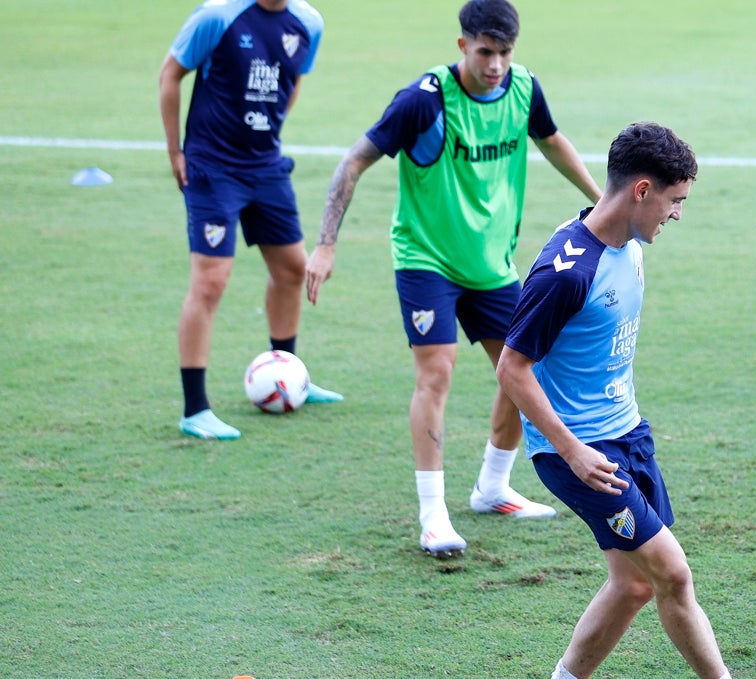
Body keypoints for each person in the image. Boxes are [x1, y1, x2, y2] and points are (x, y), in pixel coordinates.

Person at [497, 122, 756, 679]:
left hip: (629, 435)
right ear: (642, 190)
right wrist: (570, 449)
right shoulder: (563, 274)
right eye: (675, 201)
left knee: (631, 585)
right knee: (673, 575)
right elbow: (511, 369)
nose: (677, 214)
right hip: (583, 457)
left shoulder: (629, 241)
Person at [304, 0, 601, 557]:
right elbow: (354, 162)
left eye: (505, 53)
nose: (495, 64)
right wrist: (324, 244)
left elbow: (552, 140)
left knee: (523, 371)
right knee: (435, 373)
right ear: (463, 45)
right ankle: (433, 514)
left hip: (491, 264)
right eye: (485, 52)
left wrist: (600, 201)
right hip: (426, 261)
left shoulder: (523, 90)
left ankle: (492, 487)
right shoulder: (423, 101)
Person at [160, 0, 343, 441]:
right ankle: (195, 409)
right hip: (213, 167)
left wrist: (268, 128)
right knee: (210, 281)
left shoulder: (309, 22)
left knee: (291, 269)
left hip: (266, 166)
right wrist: (175, 151)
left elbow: (292, 81)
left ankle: (286, 371)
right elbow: (170, 74)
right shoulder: (217, 16)